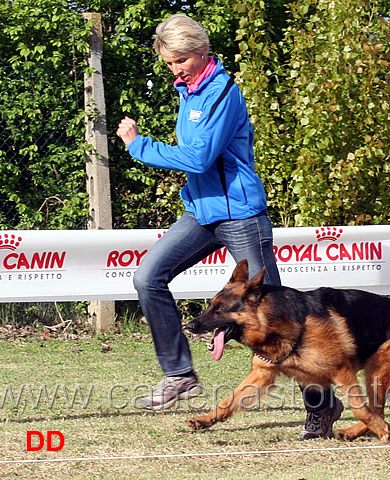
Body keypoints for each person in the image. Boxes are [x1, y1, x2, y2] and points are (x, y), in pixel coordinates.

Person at [116, 13, 342, 440]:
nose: (176, 69)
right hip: (202, 213)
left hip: (240, 214)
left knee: (279, 319)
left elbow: (200, 159)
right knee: (148, 278)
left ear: (201, 51)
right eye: (169, 63)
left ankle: (322, 406)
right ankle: (180, 374)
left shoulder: (221, 92)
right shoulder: (189, 91)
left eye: (181, 60)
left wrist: (139, 145)